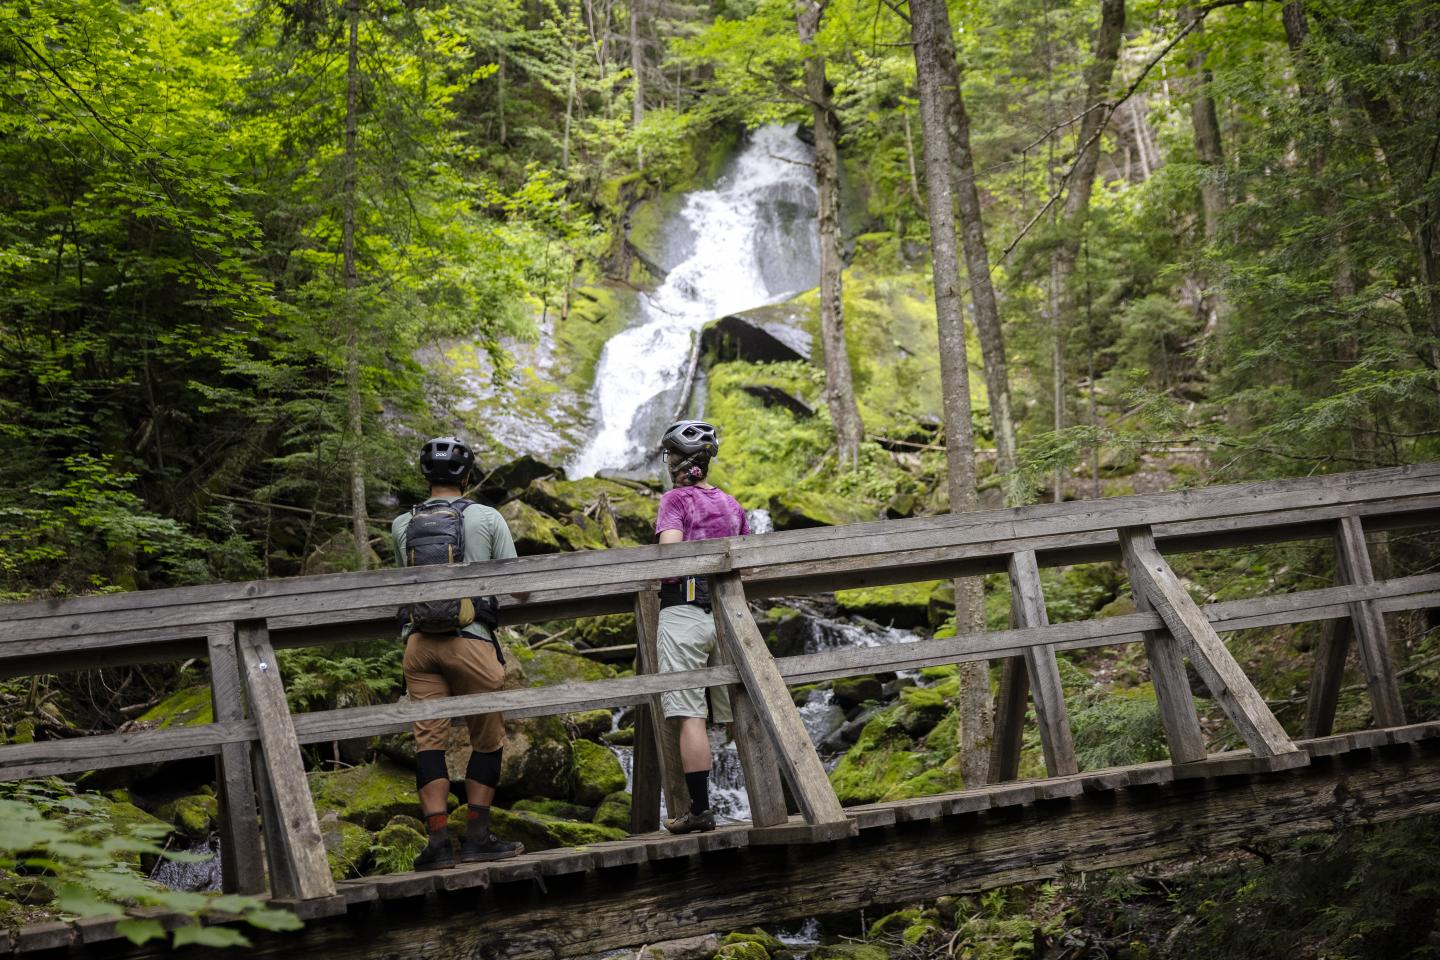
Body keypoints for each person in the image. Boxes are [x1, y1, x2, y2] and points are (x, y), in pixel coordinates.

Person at [392, 436, 524, 870]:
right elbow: (516, 583)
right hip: (472, 641)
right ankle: (476, 837)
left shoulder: (401, 524)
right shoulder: (487, 517)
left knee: (429, 741)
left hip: (419, 645)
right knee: (487, 739)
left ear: (425, 476)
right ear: (467, 477)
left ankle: (435, 845)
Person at [653, 420, 750, 834]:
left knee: (690, 713)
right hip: (728, 616)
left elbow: (670, 553)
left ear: (675, 461)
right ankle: (768, 798)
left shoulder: (675, 500)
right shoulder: (732, 504)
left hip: (685, 611)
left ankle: (699, 810)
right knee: (738, 712)